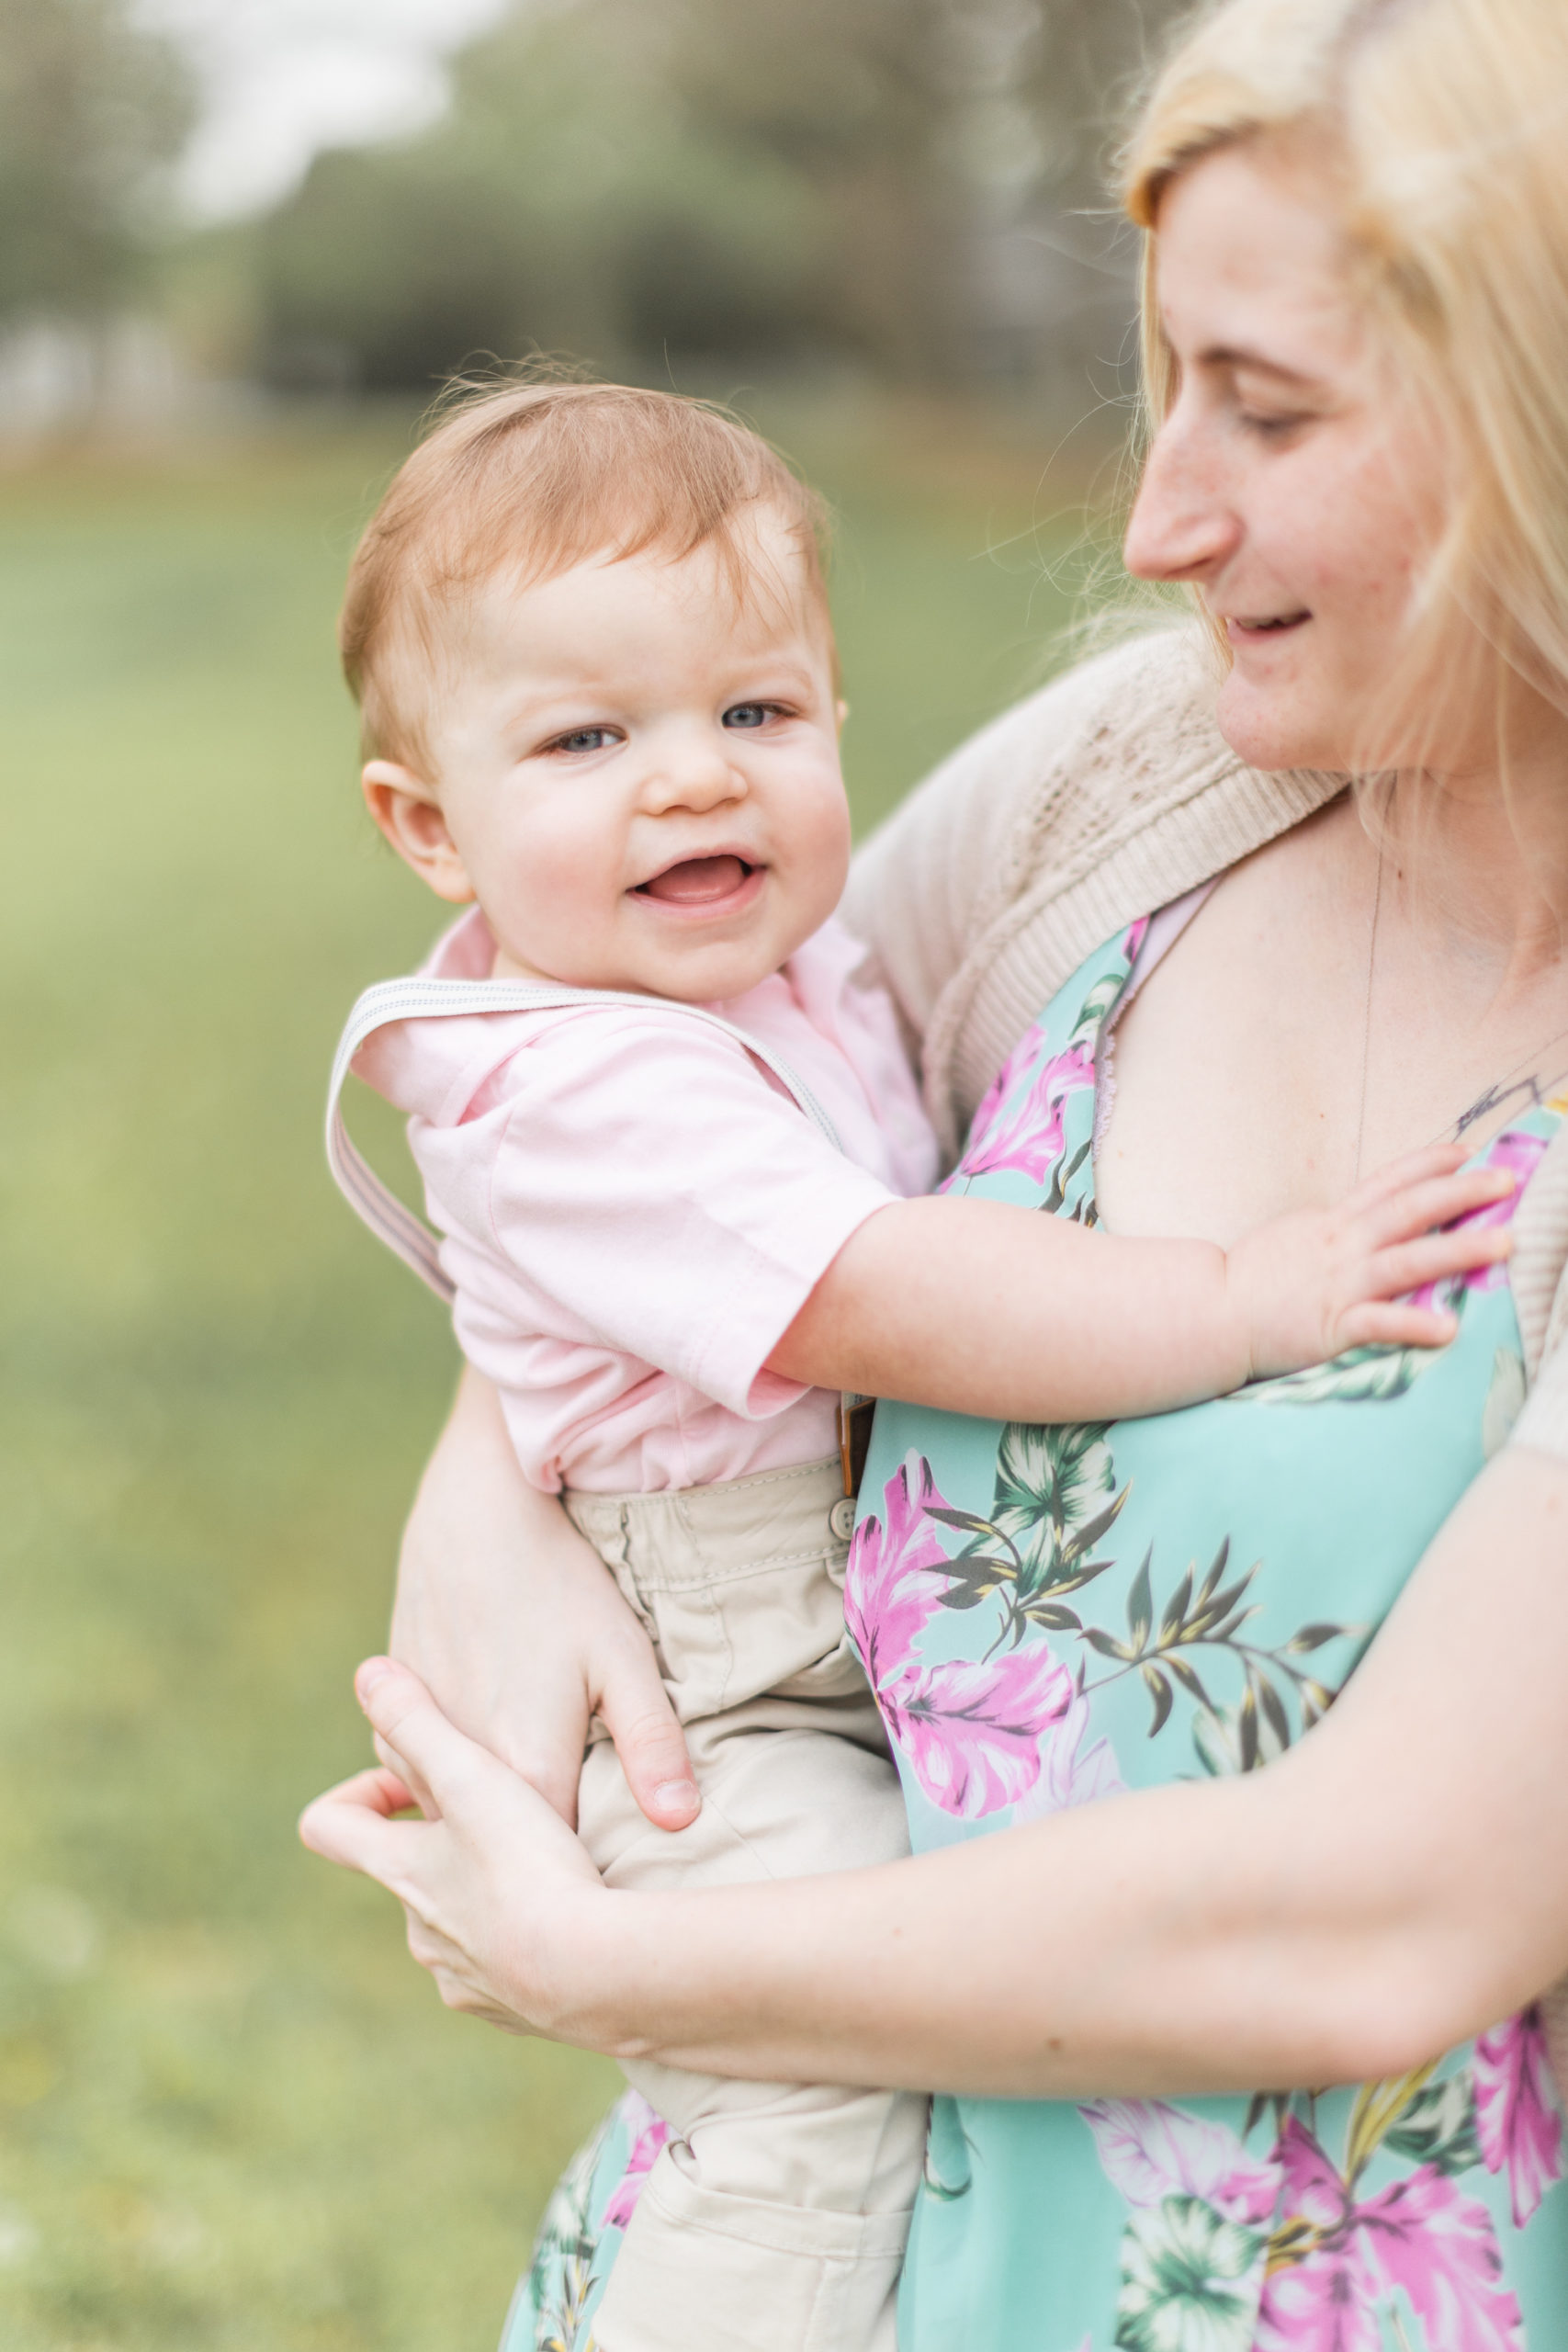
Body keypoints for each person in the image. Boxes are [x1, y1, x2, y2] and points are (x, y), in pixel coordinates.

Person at [301, 0, 1568, 2344]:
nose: (1155, 516)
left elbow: (1385, 1906)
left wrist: (618, 1953)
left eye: (1264, 408)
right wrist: (491, 1482)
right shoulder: (1139, 783)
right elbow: (668, 1144)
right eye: (1159, 380)